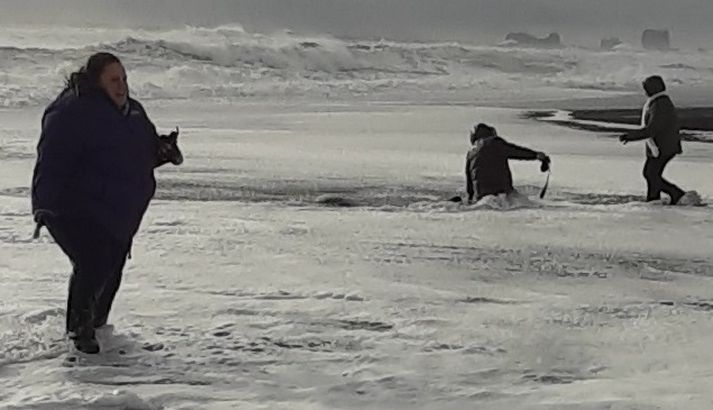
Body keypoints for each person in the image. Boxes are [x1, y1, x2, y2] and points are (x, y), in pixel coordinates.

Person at [31, 52, 183, 354]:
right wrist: (45, 205)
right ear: (96, 80)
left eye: (124, 79)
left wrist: (163, 150)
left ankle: (98, 328)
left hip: (114, 211)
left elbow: (141, 152)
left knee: (111, 268)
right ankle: (78, 333)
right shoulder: (71, 112)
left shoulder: (133, 113)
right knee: (93, 260)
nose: (122, 86)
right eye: (114, 80)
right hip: (70, 206)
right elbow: (52, 161)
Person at [618, 75, 686, 204]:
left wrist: (631, 136)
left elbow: (653, 128)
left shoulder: (660, 105)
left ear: (654, 88)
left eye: (646, 88)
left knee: (651, 174)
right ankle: (654, 199)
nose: (645, 91)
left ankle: (676, 194)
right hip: (660, 146)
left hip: (663, 147)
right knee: (651, 174)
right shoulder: (657, 102)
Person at [465, 123, 550, 204]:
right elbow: (515, 151)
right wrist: (536, 155)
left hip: (481, 196)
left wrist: (471, 199)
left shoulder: (470, 153)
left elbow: (469, 184)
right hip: (502, 193)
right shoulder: (494, 142)